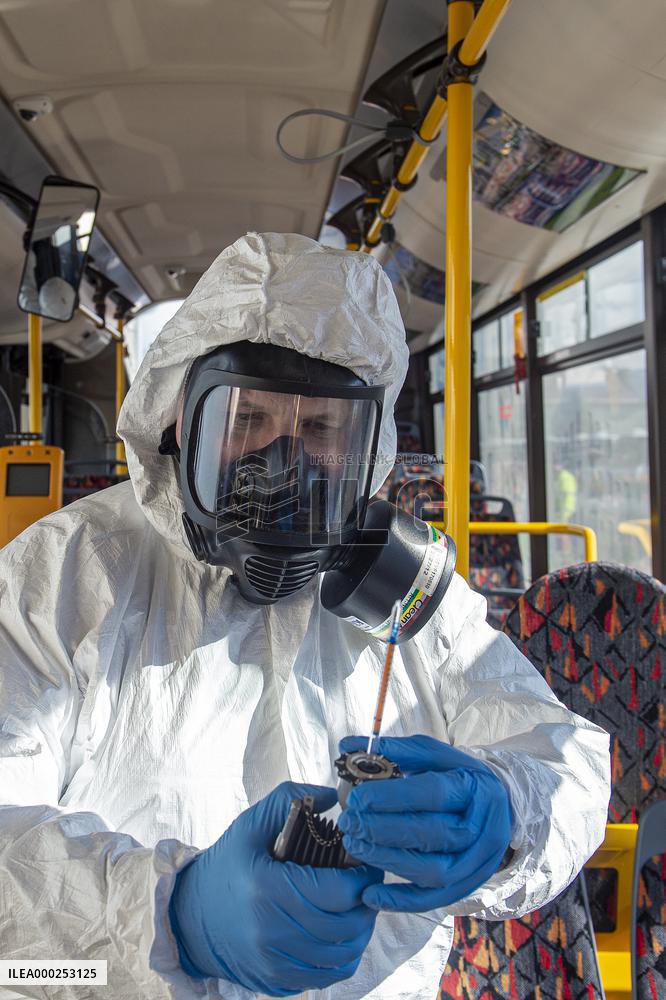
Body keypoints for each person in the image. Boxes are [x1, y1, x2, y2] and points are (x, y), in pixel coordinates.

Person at [0, 232, 610, 999]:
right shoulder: (69, 569)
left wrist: (510, 816)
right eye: (247, 420)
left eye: (321, 430)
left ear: (370, 448)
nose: (280, 466)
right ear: (183, 421)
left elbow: (568, 763)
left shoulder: (411, 597)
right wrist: (166, 920)